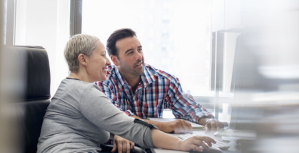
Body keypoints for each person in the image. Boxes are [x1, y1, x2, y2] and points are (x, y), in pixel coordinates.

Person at [35, 34, 216, 153]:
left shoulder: (77, 88)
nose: (107, 62)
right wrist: (181, 144)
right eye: (102, 55)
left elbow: (117, 124)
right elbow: (131, 127)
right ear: (83, 59)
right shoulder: (83, 91)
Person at [96, 28, 224, 134]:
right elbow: (118, 118)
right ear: (115, 60)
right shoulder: (104, 80)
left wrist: (208, 121)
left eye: (139, 49)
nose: (139, 57)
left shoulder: (164, 80)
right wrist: (164, 126)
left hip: (156, 145)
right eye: (130, 53)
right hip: (121, 147)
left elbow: (188, 107)